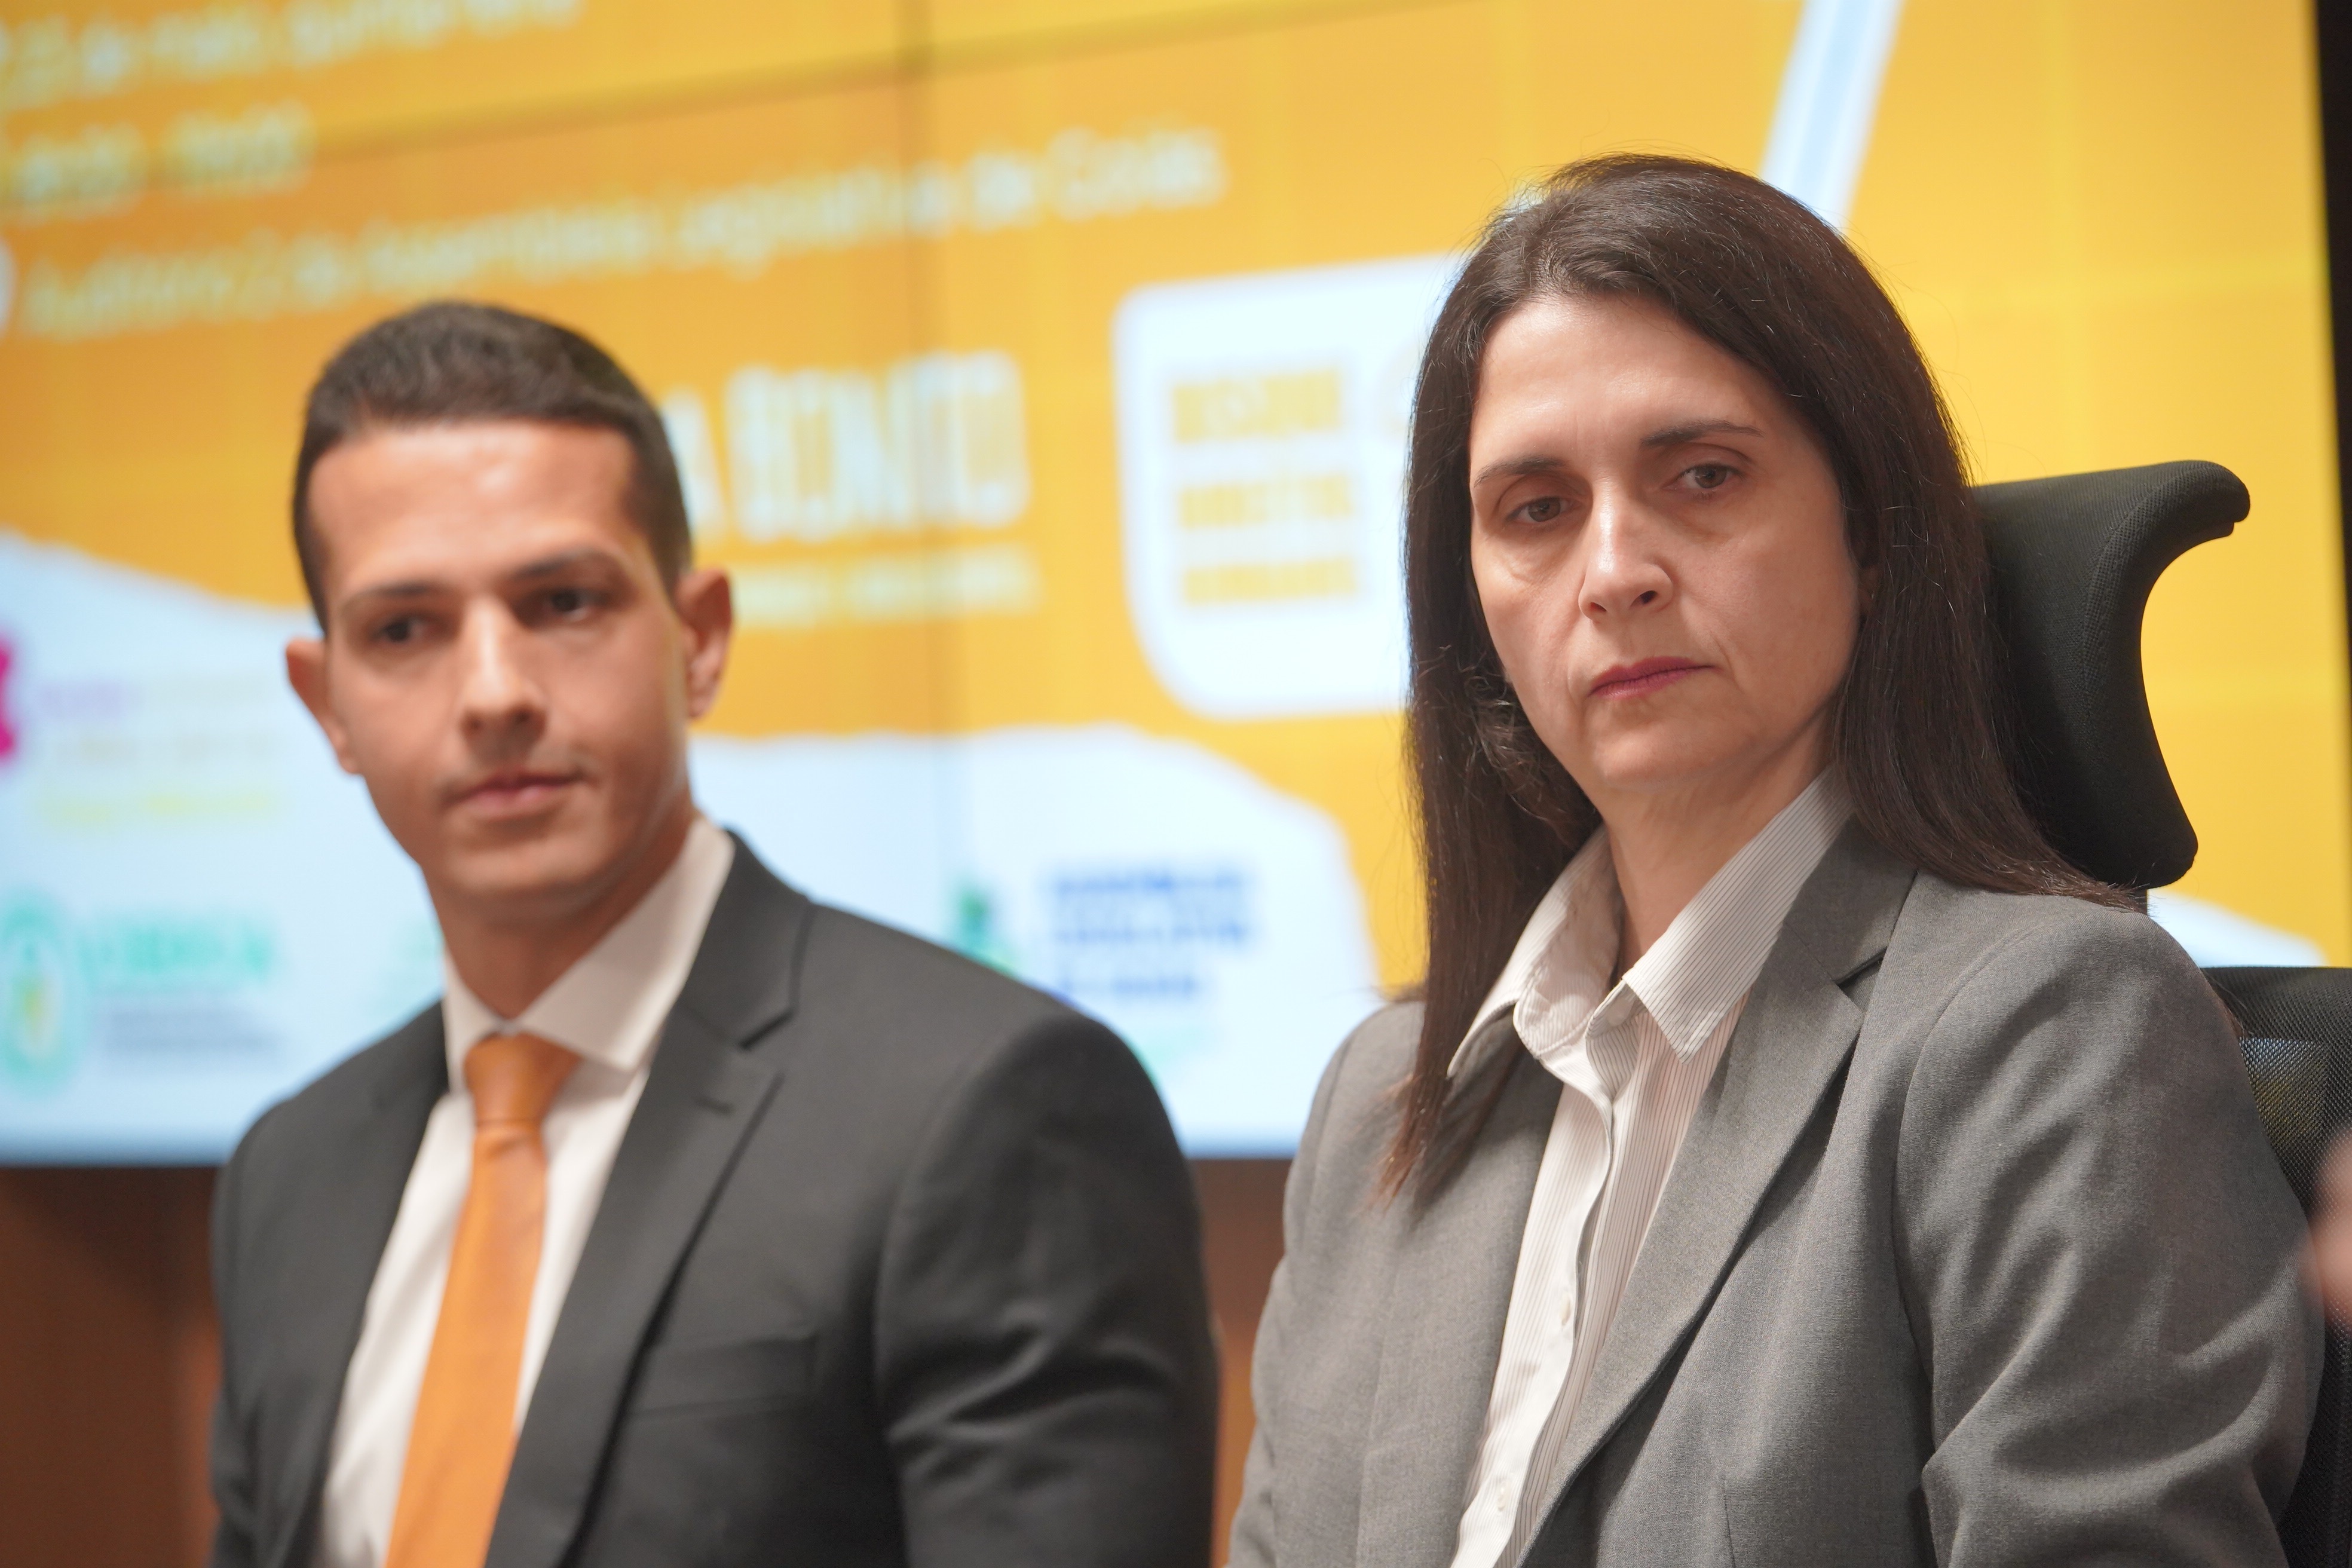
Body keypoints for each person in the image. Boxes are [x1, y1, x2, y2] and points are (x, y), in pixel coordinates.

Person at [1229, 155, 2318, 1568]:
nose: (1613, 572)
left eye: (1703, 476)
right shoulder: (1383, 1097)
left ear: (1868, 531)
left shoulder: (2051, 1030)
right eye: (1536, 508)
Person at [207, 301, 1218, 1568]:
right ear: (327, 703)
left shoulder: (986, 1110)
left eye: (562, 601)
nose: (494, 693)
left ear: (699, 639)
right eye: (403, 629)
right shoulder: (290, 1173)